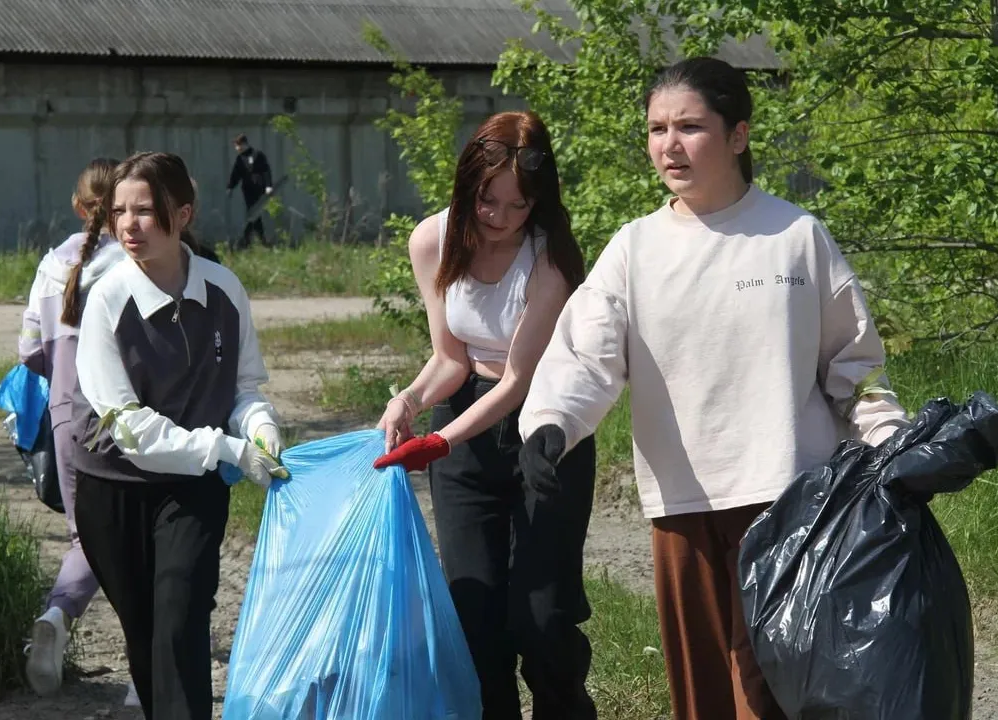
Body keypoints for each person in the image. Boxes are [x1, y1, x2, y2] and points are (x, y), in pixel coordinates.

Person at [516, 57, 912, 720]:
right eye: (656, 128)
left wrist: (893, 444)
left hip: (789, 501)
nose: (669, 145)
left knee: (770, 692)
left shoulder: (794, 237)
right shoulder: (635, 249)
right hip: (681, 504)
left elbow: (854, 363)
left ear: (738, 135)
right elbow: (586, 355)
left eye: (691, 127)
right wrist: (551, 424)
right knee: (701, 695)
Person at [370, 111, 597, 719]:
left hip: (544, 429)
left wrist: (437, 441)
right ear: (465, 185)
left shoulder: (552, 259)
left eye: (518, 205)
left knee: (542, 619)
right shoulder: (432, 239)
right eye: (486, 200)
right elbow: (451, 357)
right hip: (464, 426)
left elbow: (521, 378)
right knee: (474, 616)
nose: (499, 218)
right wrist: (409, 401)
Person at [71, 150, 288, 720]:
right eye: (119, 211)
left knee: (181, 616)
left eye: (145, 210)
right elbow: (129, 428)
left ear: (183, 214)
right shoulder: (107, 300)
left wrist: (259, 426)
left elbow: (243, 386)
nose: (128, 225)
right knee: (145, 634)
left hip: (191, 485)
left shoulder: (223, 289)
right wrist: (228, 447)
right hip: (112, 485)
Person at [18, 157, 141, 706]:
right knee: (138, 541)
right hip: (126, 417)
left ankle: (56, 614)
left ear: (76, 205)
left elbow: (29, 351)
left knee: (86, 537)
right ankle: (147, 675)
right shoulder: (135, 263)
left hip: (66, 416)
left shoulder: (52, 264)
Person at [226, 133, 273, 249]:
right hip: (247, 190)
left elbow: (266, 171)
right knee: (253, 214)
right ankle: (255, 241)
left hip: (259, 189)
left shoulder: (258, 155)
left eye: (237, 146)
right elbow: (235, 174)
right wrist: (230, 187)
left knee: (254, 214)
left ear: (243, 144)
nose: (237, 149)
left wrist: (268, 186)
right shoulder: (240, 159)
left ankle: (247, 241)